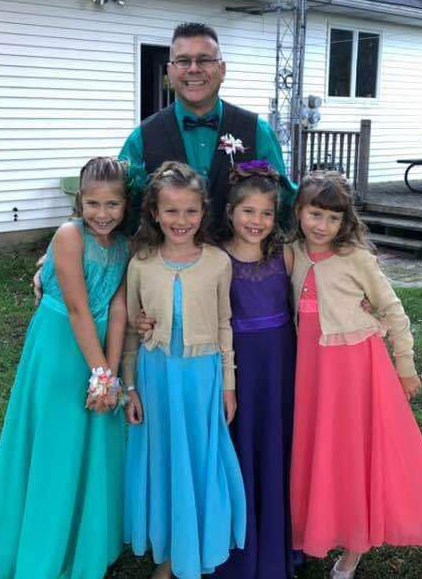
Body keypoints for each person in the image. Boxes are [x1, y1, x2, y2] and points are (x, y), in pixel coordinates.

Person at [136, 159, 299, 579]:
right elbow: (150, 299)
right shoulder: (215, 256)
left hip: (274, 367)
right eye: (248, 211)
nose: (257, 221)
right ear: (228, 212)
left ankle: (273, 540)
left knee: (271, 446)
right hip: (224, 367)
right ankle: (219, 541)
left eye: (266, 213)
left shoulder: (287, 256)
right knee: (229, 450)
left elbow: (324, 273)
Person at [0, 157, 130, 579]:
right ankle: (41, 546)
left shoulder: (126, 245)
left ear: (127, 204)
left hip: (99, 356)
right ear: (80, 201)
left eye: (113, 204)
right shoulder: (68, 235)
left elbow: (117, 309)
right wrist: (101, 374)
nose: (103, 214)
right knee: (55, 445)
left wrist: (110, 377)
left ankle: (82, 539)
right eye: (93, 203)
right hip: (60, 345)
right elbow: (78, 308)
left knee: (92, 441)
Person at [287, 171, 422, 579]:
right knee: (333, 456)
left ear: (345, 221)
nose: (321, 225)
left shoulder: (357, 259)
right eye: (314, 214)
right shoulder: (291, 252)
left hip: (359, 370)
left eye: (332, 217)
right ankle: (349, 543)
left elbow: (393, 309)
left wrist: (406, 365)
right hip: (313, 374)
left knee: (390, 452)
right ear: (298, 212)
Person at [123, 162, 246, 579]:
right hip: (156, 375)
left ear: (203, 211)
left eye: (190, 211)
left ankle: (192, 546)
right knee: (164, 457)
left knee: (198, 458)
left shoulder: (216, 261)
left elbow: (225, 323)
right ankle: (169, 548)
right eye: (171, 211)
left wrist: (228, 385)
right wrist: (130, 386)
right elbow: (131, 327)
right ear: (155, 213)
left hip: (201, 376)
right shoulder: (141, 262)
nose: (181, 220)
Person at [120, 22, 294, 233]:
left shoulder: (257, 131)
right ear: (170, 71)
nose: (194, 68)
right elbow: (122, 207)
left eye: (204, 60)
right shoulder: (142, 138)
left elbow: (283, 202)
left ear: (222, 69)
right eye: (183, 61)